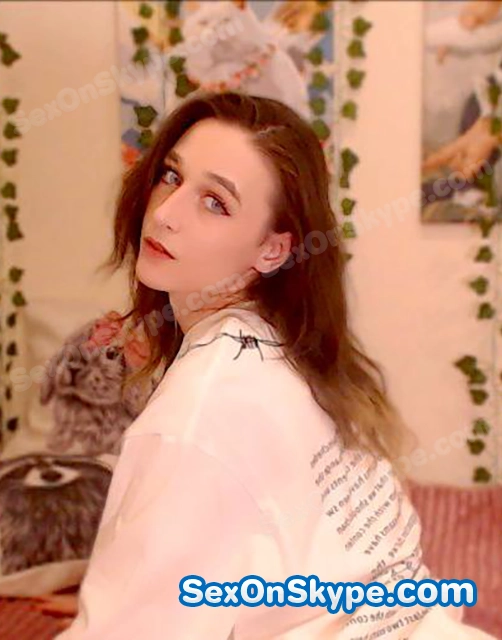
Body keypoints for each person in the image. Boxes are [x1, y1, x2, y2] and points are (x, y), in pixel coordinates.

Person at [53, 91, 495, 639]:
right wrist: (122, 582)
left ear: (272, 250)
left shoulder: (200, 410)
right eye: (171, 176)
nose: (164, 213)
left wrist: (120, 602)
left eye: (215, 202)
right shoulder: (295, 350)